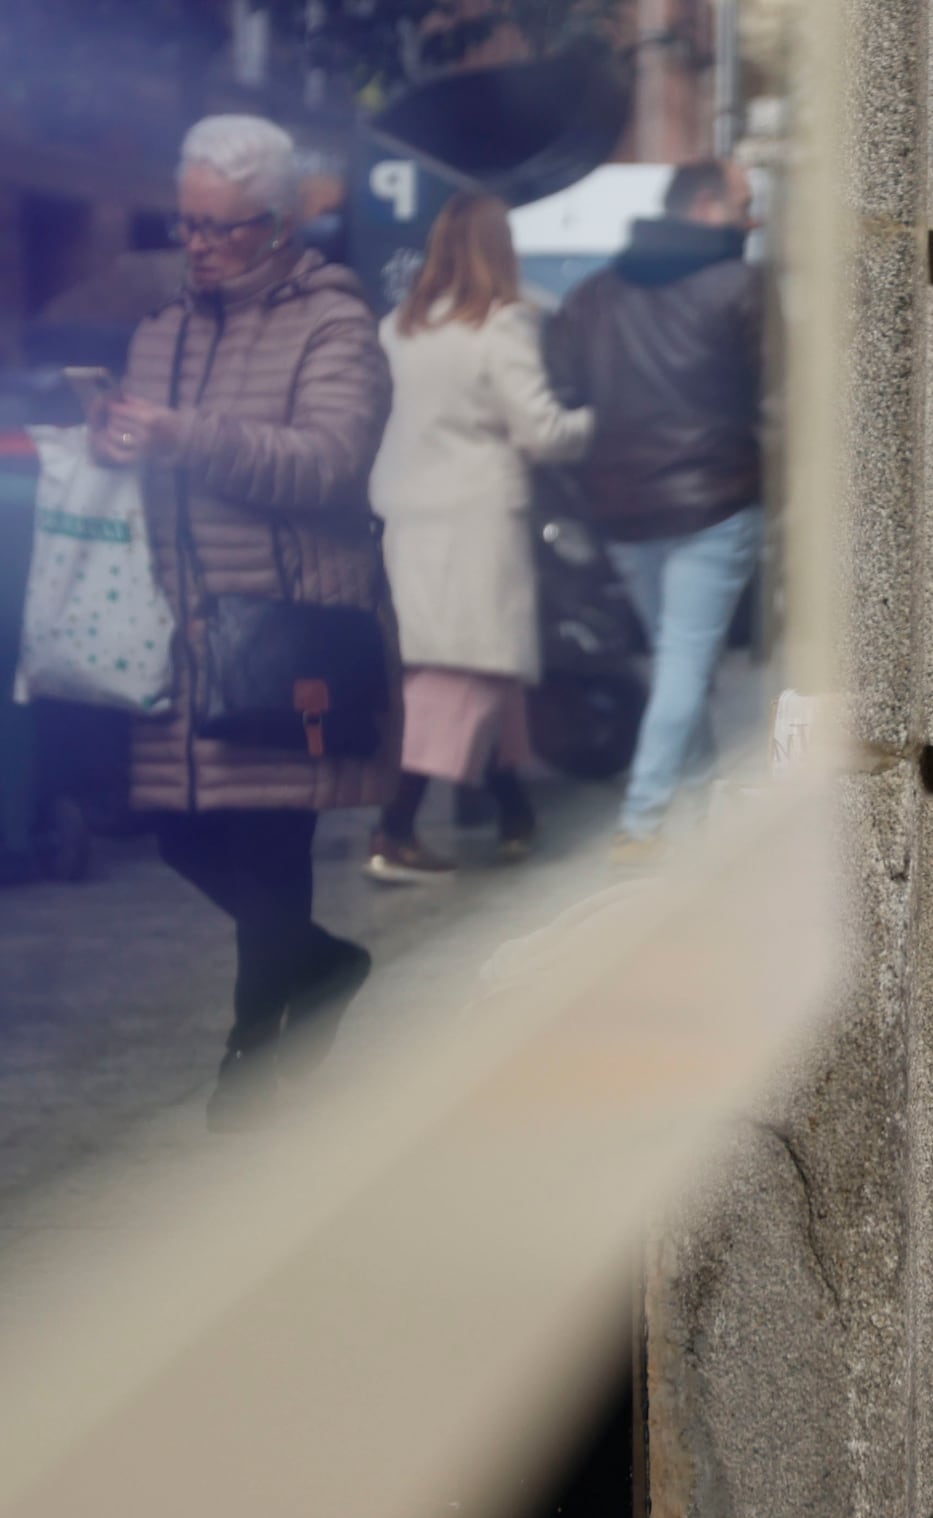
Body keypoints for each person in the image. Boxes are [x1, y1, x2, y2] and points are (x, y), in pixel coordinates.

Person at [93, 114, 394, 1131]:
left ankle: (247, 1076)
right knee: (179, 832)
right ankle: (324, 967)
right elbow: (155, 467)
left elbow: (327, 462)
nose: (201, 246)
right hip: (176, 629)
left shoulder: (333, 322)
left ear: (277, 222)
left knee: (268, 847)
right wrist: (118, 442)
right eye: (186, 226)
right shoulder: (160, 330)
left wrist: (184, 436)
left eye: (221, 228)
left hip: (284, 630)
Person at [365, 193, 593, 882]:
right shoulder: (500, 327)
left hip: (406, 515)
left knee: (450, 657)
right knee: (469, 669)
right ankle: (395, 830)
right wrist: (595, 423)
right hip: (476, 520)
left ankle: (514, 812)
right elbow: (542, 432)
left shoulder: (397, 328)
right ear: (502, 250)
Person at [545, 159, 762, 855]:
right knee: (683, 664)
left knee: (679, 664)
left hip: (620, 506)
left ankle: (699, 815)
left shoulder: (592, 295)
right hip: (715, 499)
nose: (750, 219)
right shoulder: (741, 285)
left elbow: (566, 386)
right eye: (743, 204)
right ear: (704, 206)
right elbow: (781, 387)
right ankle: (641, 824)